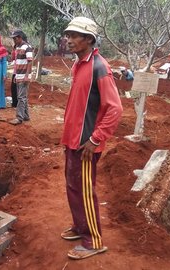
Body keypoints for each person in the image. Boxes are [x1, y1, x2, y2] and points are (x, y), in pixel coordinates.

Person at [59, 16, 123, 260]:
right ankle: (79, 227)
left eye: (75, 36)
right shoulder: (79, 64)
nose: (69, 40)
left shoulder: (99, 67)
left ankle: (93, 240)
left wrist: (96, 139)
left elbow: (115, 108)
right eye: (68, 35)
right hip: (72, 140)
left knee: (85, 190)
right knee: (73, 186)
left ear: (89, 39)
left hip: (86, 143)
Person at [9, 30, 34, 125]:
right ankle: (26, 116)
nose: (14, 40)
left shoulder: (27, 47)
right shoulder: (18, 47)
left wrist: (27, 76)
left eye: (15, 38)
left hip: (24, 76)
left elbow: (30, 61)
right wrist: (15, 75)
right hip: (19, 75)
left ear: (19, 37)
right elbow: (16, 62)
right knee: (23, 97)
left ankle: (19, 118)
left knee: (21, 97)